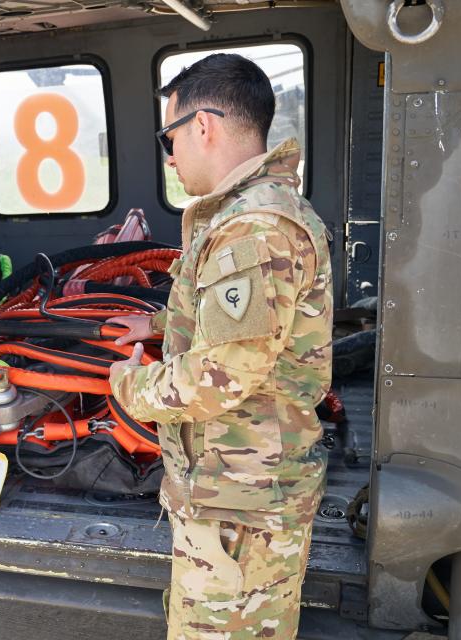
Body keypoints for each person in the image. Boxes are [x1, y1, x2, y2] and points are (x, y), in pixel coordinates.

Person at [108, 53, 333, 639]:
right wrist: (157, 326)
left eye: (170, 137)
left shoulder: (252, 229)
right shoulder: (250, 214)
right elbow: (232, 322)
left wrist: (131, 386)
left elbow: (219, 376)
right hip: (237, 494)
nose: (171, 155)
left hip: (241, 504)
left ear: (202, 126)